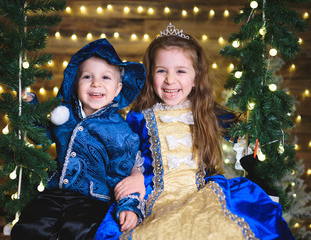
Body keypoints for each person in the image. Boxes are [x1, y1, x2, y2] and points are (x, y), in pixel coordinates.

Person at [95, 23, 294, 240]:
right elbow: (128, 158)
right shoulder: (139, 117)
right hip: (157, 198)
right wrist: (135, 181)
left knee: (223, 227)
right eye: (161, 71)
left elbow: (245, 130)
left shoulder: (206, 112)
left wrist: (259, 102)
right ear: (150, 75)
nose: (170, 80)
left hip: (201, 194)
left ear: (196, 77)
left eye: (180, 71)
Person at [11, 38, 146, 240]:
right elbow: (40, 136)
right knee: (31, 226)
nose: (96, 83)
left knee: (79, 231)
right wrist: (29, 105)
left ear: (118, 89)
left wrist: (128, 206)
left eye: (106, 78)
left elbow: (123, 174)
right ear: (76, 83)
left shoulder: (120, 131)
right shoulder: (64, 115)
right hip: (55, 193)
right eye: (87, 76)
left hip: (93, 199)